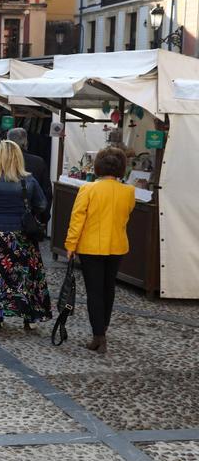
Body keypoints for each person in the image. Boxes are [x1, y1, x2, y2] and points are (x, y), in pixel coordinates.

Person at [0, 140, 52, 329]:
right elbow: (41, 205)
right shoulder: (29, 181)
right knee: (25, 276)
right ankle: (28, 316)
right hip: (21, 236)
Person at [65, 147, 135, 354]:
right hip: (117, 245)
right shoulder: (129, 192)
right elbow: (126, 215)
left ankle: (98, 336)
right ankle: (103, 327)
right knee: (108, 288)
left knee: (94, 291)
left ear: (98, 166)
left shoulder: (88, 189)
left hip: (91, 246)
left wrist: (71, 245)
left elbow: (77, 219)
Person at [7, 127, 52, 222]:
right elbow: (47, 192)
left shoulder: (2, 162)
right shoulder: (38, 162)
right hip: (31, 217)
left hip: (6, 216)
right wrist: (44, 217)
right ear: (26, 142)